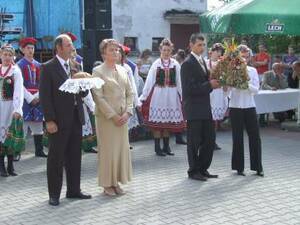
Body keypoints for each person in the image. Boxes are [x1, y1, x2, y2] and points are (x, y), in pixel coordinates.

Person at [39, 34, 91, 206]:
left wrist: (85, 85)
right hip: (58, 121)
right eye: (68, 45)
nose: (71, 48)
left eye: (71, 45)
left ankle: (74, 190)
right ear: (59, 48)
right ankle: (54, 194)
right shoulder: (48, 67)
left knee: (75, 156)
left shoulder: (76, 65)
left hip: (76, 118)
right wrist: (50, 120)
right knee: (56, 158)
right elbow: (45, 97)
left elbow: (81, 93)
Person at [92, 39, 133, 196]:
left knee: (120, 150)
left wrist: (128, 112)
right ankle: (106, 184)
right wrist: (113, 116)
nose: (116, 52)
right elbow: (98, 97)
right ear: (103, 53)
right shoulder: (98, 71)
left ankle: (116, 182)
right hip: (107, 119)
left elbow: (130, 93)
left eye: (117, 50)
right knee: (108, 151)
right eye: (111, 50)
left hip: (123, 118)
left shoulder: (123, 70)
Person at [181, 33, 219, 181]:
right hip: (194, 108)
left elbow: (205, 82)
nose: (202, 48)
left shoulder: (203, 60)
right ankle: (193, 170)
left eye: (203, 45)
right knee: (194, 142)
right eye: (199, 45)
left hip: (205, 107)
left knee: (209, 139)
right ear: (191, 45)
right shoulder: (187, 63)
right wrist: (209, 84)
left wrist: (216, 82)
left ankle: (203, 169)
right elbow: (189, 89)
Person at [139, 39, 186, 156]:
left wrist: (183, 97)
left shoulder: (175, 64)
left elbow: (179, 82)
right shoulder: (156, 64)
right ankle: (157, 147)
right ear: (160, 50)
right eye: (164, 50)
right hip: (158, 96)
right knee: (158, 123)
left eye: (168, 50)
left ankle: (166, 146)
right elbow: (149, 82)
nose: (166, 52)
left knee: (167, 122)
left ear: (171, 51)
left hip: (171, 96)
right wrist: (143, 97)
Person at [228, 45, 263, 177]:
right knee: (237, 137)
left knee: (255, 137)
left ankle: (258, 167)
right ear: (237, 57)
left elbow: (256, 90)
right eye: (242, 56)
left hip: (249, 106)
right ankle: (238, 167)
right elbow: (226, 92)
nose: (244, 59)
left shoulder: (252, 70)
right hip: (235, 107)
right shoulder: (231, 70)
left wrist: (245, 82)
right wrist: (227, 84)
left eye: (246, 57)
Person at [17, 37, 47, 158]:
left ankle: (39, 151)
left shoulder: (39, 65)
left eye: (32, 48)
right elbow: (19, 85)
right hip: (24, 98)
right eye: (28, 48)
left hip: (38, 97)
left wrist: (38, 96)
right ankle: (17, 152)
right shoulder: (19, 65)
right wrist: (30, 97)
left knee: (38, 125)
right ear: (22, 50)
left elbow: (43, 82)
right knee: (23, 126)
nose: (30, 50)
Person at [0, 44, 24, 177]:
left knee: (9, 134)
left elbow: (18, 91)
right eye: (5, 54)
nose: (7, 57)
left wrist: (17, 109)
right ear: (0, 55)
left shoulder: (15, 71)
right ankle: (1, 166)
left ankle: (10, 165)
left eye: (10, 55)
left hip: (10, 107)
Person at [206, 43, 228, 150]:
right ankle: (205, 141)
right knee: (206, 119)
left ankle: (213, 141)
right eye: (217, 51)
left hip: (218, 93)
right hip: (208, 93)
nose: (219, 54)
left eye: (220, 52)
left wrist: (225, 86)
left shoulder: (223, 64)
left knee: (214, 120)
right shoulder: (205, 63)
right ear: (211, 52)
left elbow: (226, 79)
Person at [173, 49, 187, 145]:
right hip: (178, 92)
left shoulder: (179, 65)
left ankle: (179, 136)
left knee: (180, 115)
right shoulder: (178, 66)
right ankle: (178, 136)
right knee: (179, 115)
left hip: (179, 91)